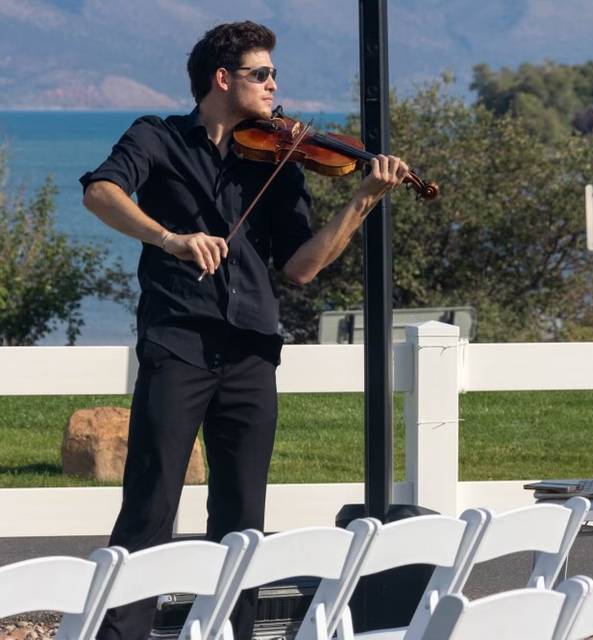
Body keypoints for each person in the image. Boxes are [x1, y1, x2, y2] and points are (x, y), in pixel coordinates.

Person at [80, 21, 409, 640]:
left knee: (242, 518)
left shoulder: (279, 160)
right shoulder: (155, 138)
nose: (275, 86)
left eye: (274, 75)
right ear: (223, 79)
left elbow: (303, 266)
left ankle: (236, 632)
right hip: (177, 342)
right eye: (263, 74)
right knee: (151, 507)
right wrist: (171, 239)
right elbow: (100, 193)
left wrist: (362, 200)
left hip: (253, 351)